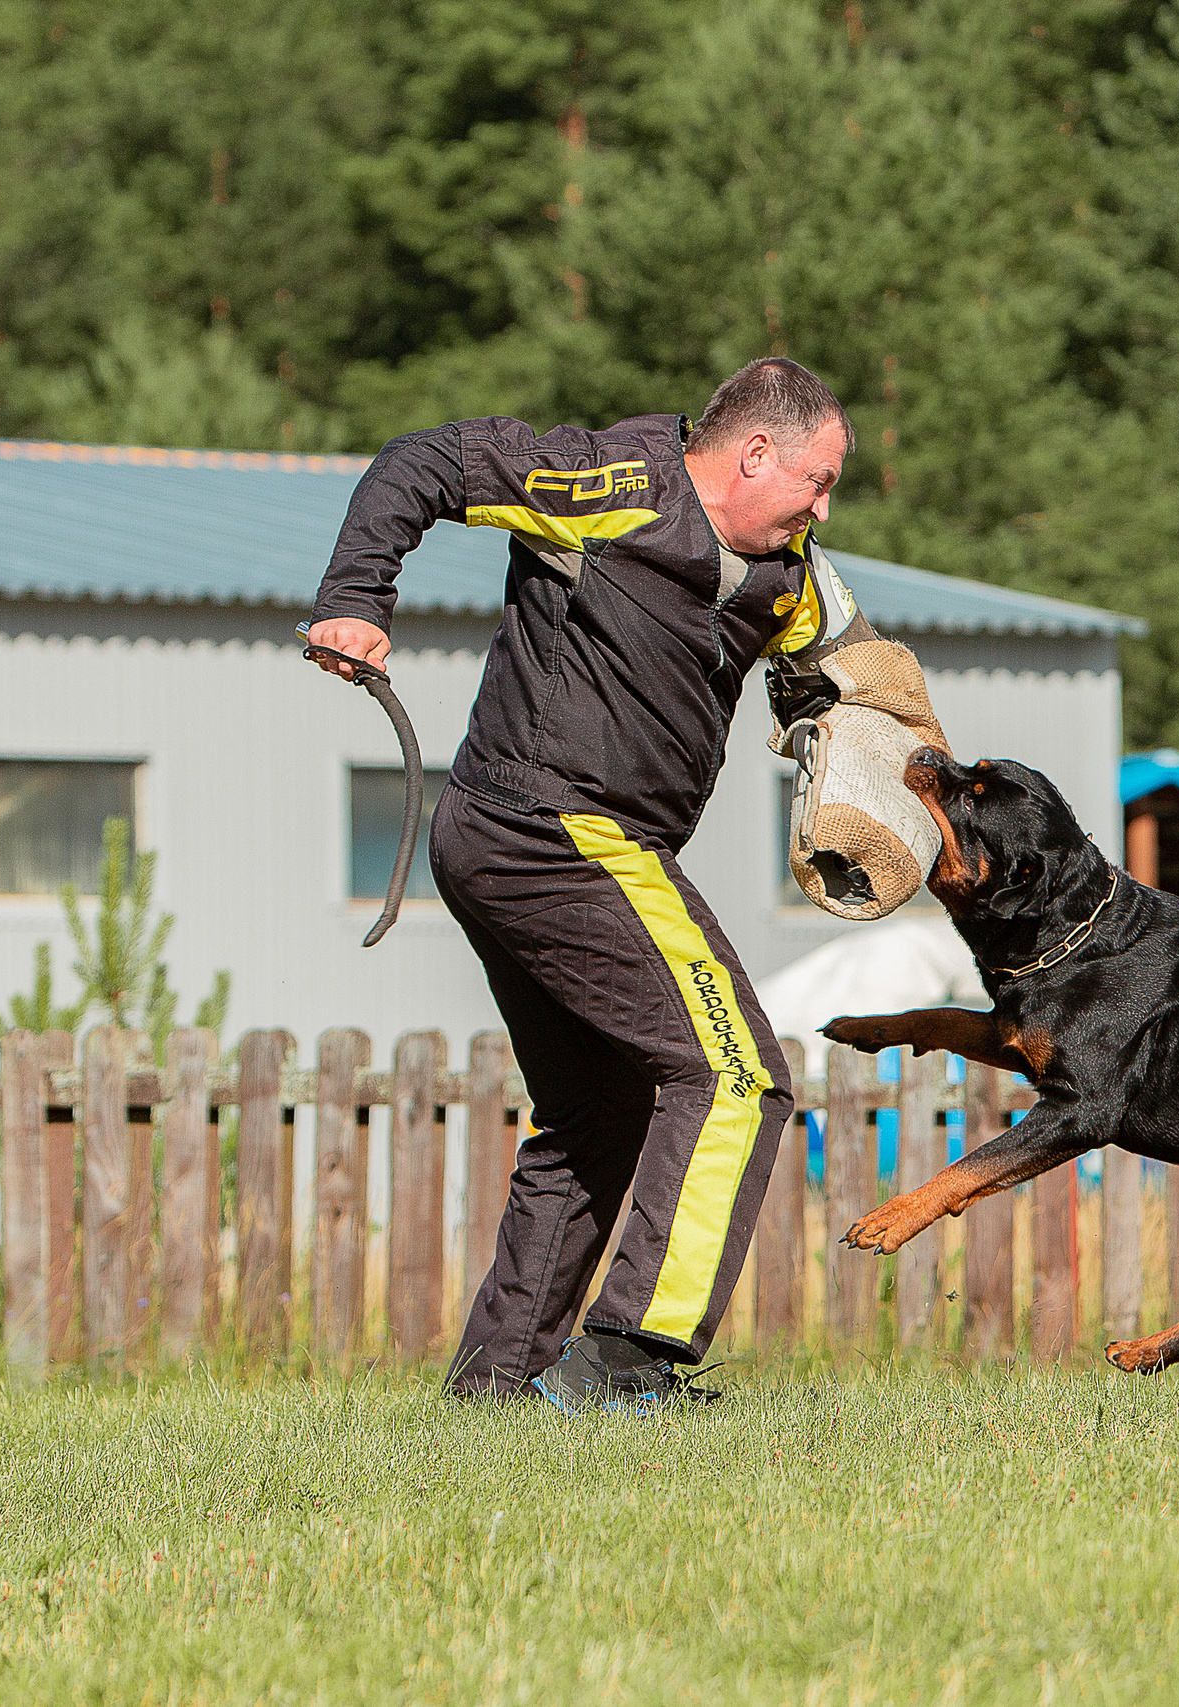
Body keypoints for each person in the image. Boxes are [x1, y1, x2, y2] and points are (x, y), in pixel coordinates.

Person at [307, 357, 895, 1411]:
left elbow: (851, 678)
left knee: (599, 1110)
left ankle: (498, 1386)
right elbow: (425, 462)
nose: (822, 504)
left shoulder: (793, 567)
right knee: (736, 1077)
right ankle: (631, 1361)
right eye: (817, 479)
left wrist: (871, 763)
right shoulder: (610, 484)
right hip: (552, 829)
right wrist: (356, 598)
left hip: (538, 841)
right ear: (753, 451)